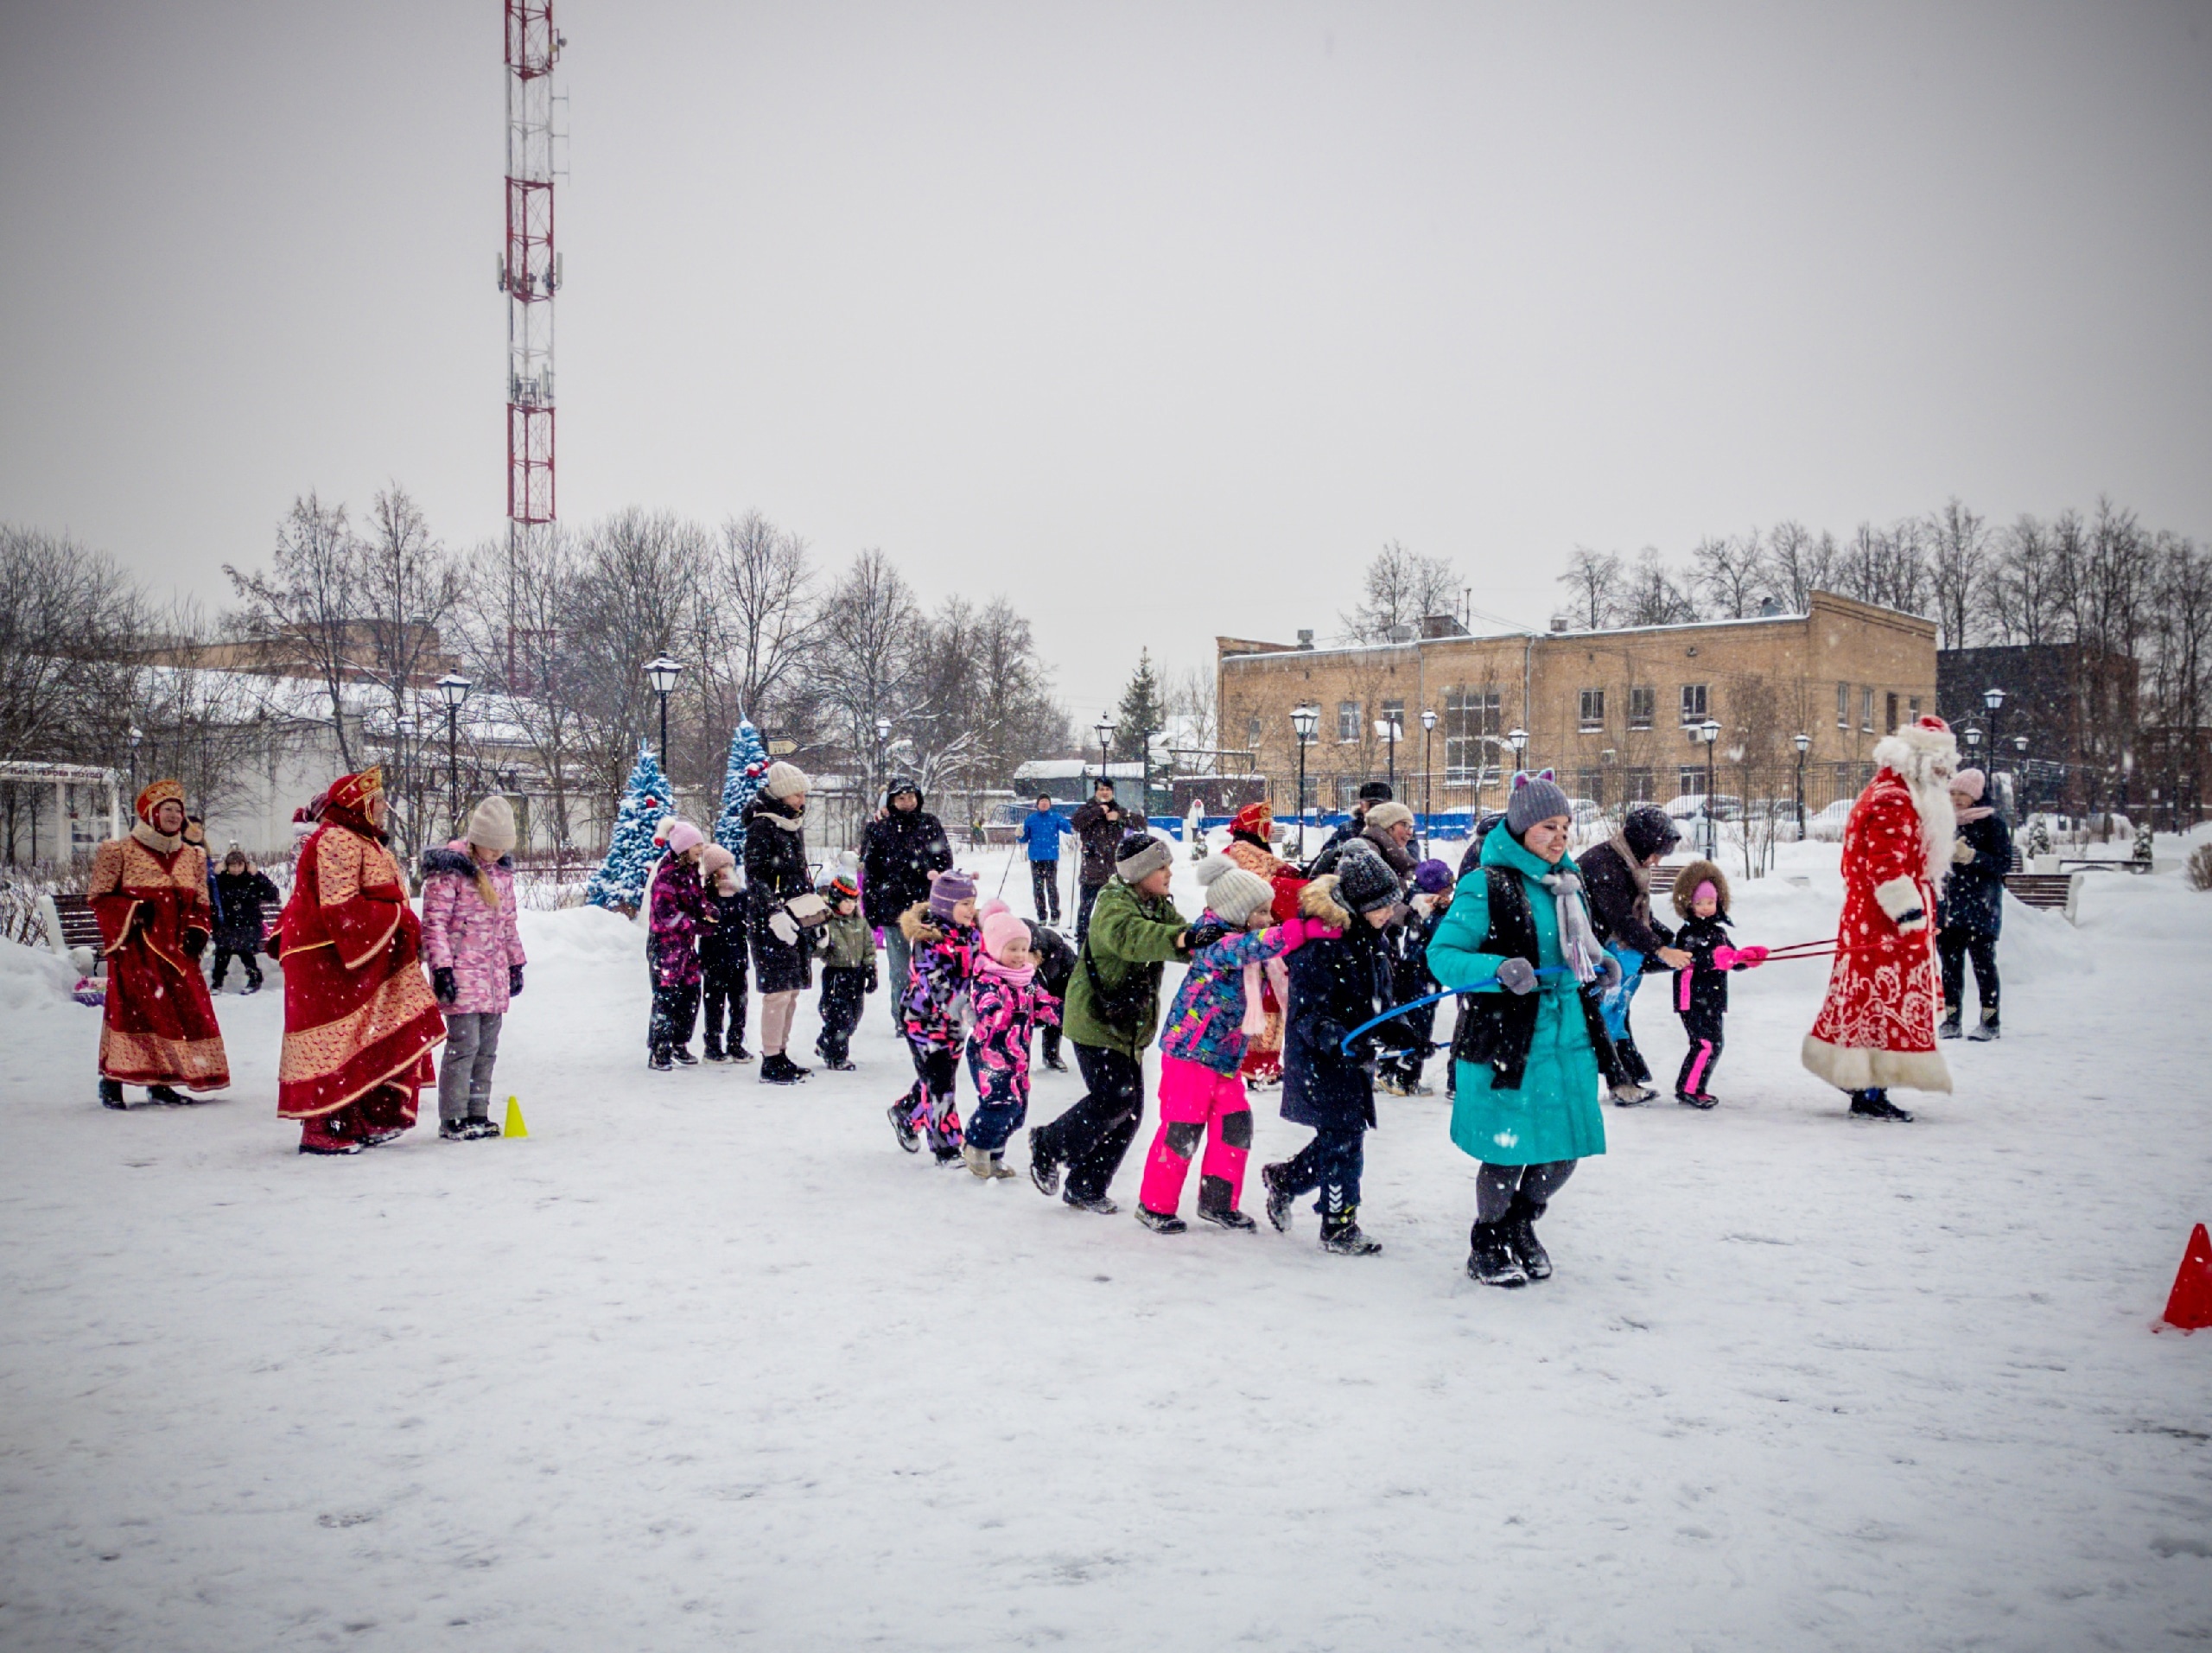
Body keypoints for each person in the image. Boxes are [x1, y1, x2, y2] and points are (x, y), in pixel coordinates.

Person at [1427, 771, 1626, 1287]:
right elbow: (1442, 956)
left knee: (1564, 1151)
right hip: (1510, 1043)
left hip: (1570, 1040)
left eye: (1565, 826)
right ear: (1519, 830)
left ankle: (1520, 1225)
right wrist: (1495, 969)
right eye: (1547, 828)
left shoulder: (1569, 882)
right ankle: (1487, 1242)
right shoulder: (1484, 885)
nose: (1560, 838)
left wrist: (1600, 961)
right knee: (1506, 1153)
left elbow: (1576, 949)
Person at [1136, 855, 1333, 1234]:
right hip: (1190, 1054)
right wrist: (1296, 931)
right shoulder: (1215, 941)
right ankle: (1155, 1204)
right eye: (1260, 912)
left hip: (1225, 1056)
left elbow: (1265, 954)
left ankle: (1217, 1202)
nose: (1267, 919)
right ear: (1237, 913)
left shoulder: (1253, 948)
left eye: (1269, 911)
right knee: (1183, 1128)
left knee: (1234, 1125)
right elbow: (1246, 947)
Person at [276, 766, 445, 1154]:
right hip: (327, 960)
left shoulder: (363, 841)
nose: (385, 807)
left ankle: (361, 1117)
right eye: (379, 801)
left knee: (365, 1036)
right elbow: (340, 909)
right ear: (361, 805)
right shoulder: (337, 839)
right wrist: (399, 918)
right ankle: (322, 1126)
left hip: (358, 959)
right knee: (336, 1042)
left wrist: (405, 925)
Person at [1802, 715, 1961, 1122]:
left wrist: (1923, 913)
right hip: (1884, 921)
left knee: (1869, 1003)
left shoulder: (1896, 792)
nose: (1948, 773)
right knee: (1878, 1004)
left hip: (1877, 917)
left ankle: (1866, 1084)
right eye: (1942, 764)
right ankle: (1868, 1089)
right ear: (1922, 761)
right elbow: (1887, 868)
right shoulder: (1896, 798)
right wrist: (1911, 916)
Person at [1028, 830, 1192, 1214]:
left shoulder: (1156, 903)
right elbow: (1134, 939)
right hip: (1095, 1019)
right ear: (1139, 872)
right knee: (1115, 1098)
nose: (1169, 872)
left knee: (1130, 1110)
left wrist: (1215, 943)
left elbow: (1178, 934)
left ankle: (1086, 1185)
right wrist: (1187, 939)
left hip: (1126, 1022)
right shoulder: (1113, 903)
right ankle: (1049, 1143)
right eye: (1161, 866)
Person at [1258, 841, 1408, 1255]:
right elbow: (1307, 1013)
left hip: (1354, 1054)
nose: (1388, 913)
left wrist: (1402, 1031)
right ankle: (1339, 1225)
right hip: (1322, 1057)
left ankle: (1286, 1179)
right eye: (1381, 905)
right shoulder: (1322, 943)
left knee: (1339, 1138)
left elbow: (1381, 999)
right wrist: (1339, 1039)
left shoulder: (1371, 937)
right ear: (1355, 904)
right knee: (1344, 1142)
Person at [88, 779, 232, 1109]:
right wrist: (133, 909)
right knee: (135, 1014)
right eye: (168, 809)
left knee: (178, 1013)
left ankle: (164, 1080)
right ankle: (113, 1080)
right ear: (152, 814)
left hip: (179, 952)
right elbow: (99, 897)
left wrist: (198, 929)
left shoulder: (192, 856)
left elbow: (201, 902)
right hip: (136, 949)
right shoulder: (119, 850)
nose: (174, 815)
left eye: (179, 810)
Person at [420, 795, 528, 1140]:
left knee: (487, 1049)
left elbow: (508, 922)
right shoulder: (449, 872)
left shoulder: (502, 876)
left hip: (492, 974)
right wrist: (442, 970)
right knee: (464, 1046)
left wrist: (515, 964)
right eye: (490, 847)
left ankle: (478, 1113)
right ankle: (453, 1117)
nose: (495, 854)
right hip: (462, 973)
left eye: (501, 848)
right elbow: (434, 922)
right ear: (476, 838)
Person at [1577, 803, 1694, 1105]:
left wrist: (1674, 942)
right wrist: (1661, 950)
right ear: (1643, 844)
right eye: (1657, 853)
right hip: (1594, 952)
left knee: (1615, 1011)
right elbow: (1622, 920)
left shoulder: (1627, 863)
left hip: (1613, 950)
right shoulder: (1605, 866)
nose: (1656, 862)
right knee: (1601, 1015)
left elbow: (1641, 916)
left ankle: (1627, 1076)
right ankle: (1613, 1080)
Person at [890, 869, 983, 1162]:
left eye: (973, 902)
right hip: (923, 1020)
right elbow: (935, 984)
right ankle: (947, 1147)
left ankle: (905, 1113)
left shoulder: (973, 934)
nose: (971, 909)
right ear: (945, 905)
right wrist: (963, 1008)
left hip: (955, 1024)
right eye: (964, 903)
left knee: (935, 1080)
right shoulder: (928, 940)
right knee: (941, 1083)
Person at [961, 907, 1059, 1179]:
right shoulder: (988, 979)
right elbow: (987, 1008)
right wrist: (1000, 1011)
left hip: (1017, 1055)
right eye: (1012, 949)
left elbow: (1043, 1004)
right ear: (994, 949)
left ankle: (995, 1155)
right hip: (988, 1052)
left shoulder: (1026, 981)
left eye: (1023, 949)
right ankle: (975, 1145)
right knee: (999, 1103)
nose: (1018, 956)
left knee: (1017, 1110)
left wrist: (1068, 1014)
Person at [1663, 859, 1767, 1109]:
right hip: (1692, 996)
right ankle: (1688, 1089)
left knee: (1714, 1044)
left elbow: (1729, 959)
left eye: (1710, 902)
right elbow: (1692, 959)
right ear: (1689, 904)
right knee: (1704, 1044)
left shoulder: (1719, 932)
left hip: (1713, 998)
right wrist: (1713, 959)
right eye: (1700, 903)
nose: (1706, 908)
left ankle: (1696, 1087)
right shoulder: (1687, 933)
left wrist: (1746, 959)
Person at [860, 778, 954, 1031]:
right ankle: (902, 1016)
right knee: (900, 967)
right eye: (901, 798)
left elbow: (945, 860)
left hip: (926, 906)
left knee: (929, 964)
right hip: (894, 908)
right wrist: (871, 906)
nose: (907, 802)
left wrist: (944, 893)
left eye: (911, 797)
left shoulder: (929, 824)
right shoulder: (879, 830)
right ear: (892, 801)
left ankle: (928, 1012)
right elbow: (871, 872)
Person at [1219, 801, 1301, 1088]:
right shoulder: (1241, 853)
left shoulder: (1253, 851)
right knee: (1259, 999)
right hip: (1252, 937)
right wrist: (1303, 889)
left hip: (1268, 937)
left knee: (1270, 1000)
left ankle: (1264, 1064)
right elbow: (1264, 889)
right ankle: (1255, 1067)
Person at [745, 762, 818, 1084]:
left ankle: (781, 1053)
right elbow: (756, 875)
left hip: (796, 916)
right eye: (796, 793)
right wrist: (773, 912)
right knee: (777, 991)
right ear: (781, 794)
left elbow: (800, 876)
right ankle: (771, 1057)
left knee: (790, 991)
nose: (802, 799)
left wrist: (815, 915)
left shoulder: (791, 824)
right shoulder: (763, 827)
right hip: (771, 921)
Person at [1937, 767, 2011, 1042]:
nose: (1956, 799)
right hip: (1948, 907)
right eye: (1952, 793)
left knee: (1983, 965)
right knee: (1949, 966)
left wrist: (1973, 857)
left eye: (1963, 794)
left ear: (1976, 797)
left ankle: (1990, 1021)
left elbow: (2003, 863)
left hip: (1980, 906)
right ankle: (1951, 1019)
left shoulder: (1992, 823)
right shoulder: (1943, 822)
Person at [1377, 858, 1454, 1097]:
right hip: (1421, 973)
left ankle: (1389, 1070)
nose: (1451, 892)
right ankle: (1404, 1076)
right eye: (1447, 887)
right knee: (1418, 1023)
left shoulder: (1414, 902)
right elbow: (1438, 935)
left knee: (1405, 1018)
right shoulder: (1427, 908)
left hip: (1411, 971)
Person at [646, 820, 710, 1071]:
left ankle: (679, 1043)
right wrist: (694, 924)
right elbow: (667, 915)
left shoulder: (691, 872)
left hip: (685, 946)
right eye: (696, 844)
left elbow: (697, 901)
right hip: (665, 946)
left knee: (691, 992)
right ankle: (659, 1048)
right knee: (666, 996)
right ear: (683, 847)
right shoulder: (667, 875)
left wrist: (708, 911)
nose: (701, 848)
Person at [813, 870, 874, 1071]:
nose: (850, 905)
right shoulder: (828, 922)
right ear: (835, 899)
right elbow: (818, 950)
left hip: (856, 974)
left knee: (855, 1015)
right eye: (846, 900)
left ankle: (825, 1042)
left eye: (853, 900)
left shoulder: (860, 922)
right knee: (839, 1016)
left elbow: (869, 946)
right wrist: (819, 941)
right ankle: (837, 1056)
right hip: (835, 974)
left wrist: (870, 968)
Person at [697, 844, 752, 1064]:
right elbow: (703, 924)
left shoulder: (741, 895)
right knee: (714, 1003)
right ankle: (712, 1045)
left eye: (730, 864)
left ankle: (736, 1042)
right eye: (722, 866)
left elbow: (748, 920)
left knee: (739, 1003)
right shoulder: (707, 896)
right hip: (714, 957)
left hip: (737, 956)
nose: (727, 869)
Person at [209, 849, 280, 993]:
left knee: (241, 944)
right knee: (224, 947)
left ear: (245, 865)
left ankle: (253, 978)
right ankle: (218, 982)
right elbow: (208, 893)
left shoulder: (252, 879)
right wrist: (215, 875)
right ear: (227, 866)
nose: (236, 869)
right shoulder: (221, 880)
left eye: (240, 865)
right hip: (227, 925)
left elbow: (272, 893)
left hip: (250, 925)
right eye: (233, 866)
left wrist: (258, 875)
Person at [1068, 778, 1129, 944]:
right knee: (1086, 907)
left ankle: (1112, 936)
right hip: (1092, 869)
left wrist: (1120, 816)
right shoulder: (1088, 808)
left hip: (1114, 871)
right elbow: (1075, 822)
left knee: (1114, 908)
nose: (1105, 792)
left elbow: (1139, 823)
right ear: (1096, 791)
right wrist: (1098, 812)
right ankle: (1082, 938)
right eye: (1101, 789)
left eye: (1108, 789)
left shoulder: (1119, 809)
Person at [1307, 798, 1417, 887]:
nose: (1410, 833)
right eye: (1405, 825)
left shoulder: (1388, 853)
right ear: (1388, 826)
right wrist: (1416, 910)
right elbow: (1376, 908)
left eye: (1411, 827)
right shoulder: (1366, 853)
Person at [1308, 781, 1393, 869]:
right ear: (1361, 805)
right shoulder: (1347, 830)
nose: (1374, 809)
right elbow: (1326, 856)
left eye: (1379, 805)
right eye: (1371, 804)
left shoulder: (1398, 829)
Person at [1018, 793, 1075, 923]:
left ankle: (1055, 915)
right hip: (1036, 858)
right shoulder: (1031, 819)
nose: (1044, 803)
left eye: (1046, 801)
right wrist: (1019, 835)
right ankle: (1041, 915)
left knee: (1051, 887)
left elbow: (1068, 828)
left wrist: (1074, 828)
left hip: (1050, 857)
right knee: (1038, 888)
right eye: (1042, 801)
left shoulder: (1055, 818)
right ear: (1037, 804)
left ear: (1050, 804)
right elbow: (1024, 838)